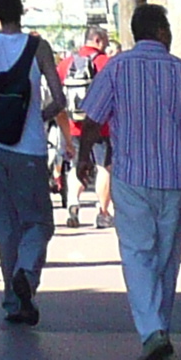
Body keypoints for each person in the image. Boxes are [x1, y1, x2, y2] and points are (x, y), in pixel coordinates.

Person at [83, 3, 181, 360]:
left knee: (137, 253)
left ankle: (152, 331)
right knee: (166, 258)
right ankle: (160, 327)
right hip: (174, 176)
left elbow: (93, 117)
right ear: (160, 32)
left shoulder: (117, 69)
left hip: (130, 175)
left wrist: (84, 156)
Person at [0, 0, 66, 326]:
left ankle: (13, 300)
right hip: (31, 148)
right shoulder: (39, 47)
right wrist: (38, 117)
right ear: (21, 11)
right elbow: (59, 98)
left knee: (4, 225)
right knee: (38, 222)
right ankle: (26, 275)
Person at [58, 25, 113, 228]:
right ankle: (103, 212)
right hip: (101, 126)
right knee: (103, 168)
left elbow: (57, 100)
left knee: (75, 166)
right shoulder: (106, 63)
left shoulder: (66, 64)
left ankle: (73, 205)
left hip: (73, 126)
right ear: (98, 41)